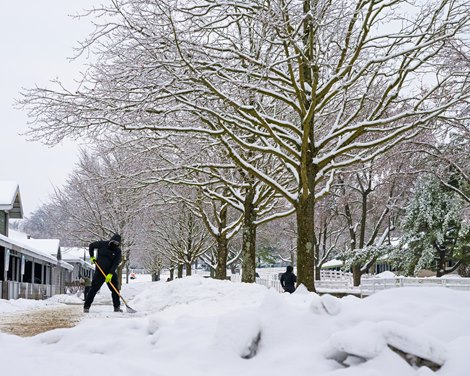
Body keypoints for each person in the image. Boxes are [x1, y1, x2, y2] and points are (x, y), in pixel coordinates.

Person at [83, 234, 122, 313]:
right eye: (114, 242)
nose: (115, 244)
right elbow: (91, 246)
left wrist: (111, 273)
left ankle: (117, 307)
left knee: (115, 290)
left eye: (117, 243)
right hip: (99, 272)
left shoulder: (118, 251)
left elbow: (116, 262)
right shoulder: (102, 244)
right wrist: (92, 257)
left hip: (110, 273)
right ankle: (86, 307)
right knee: (93, 289)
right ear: (111, 240)